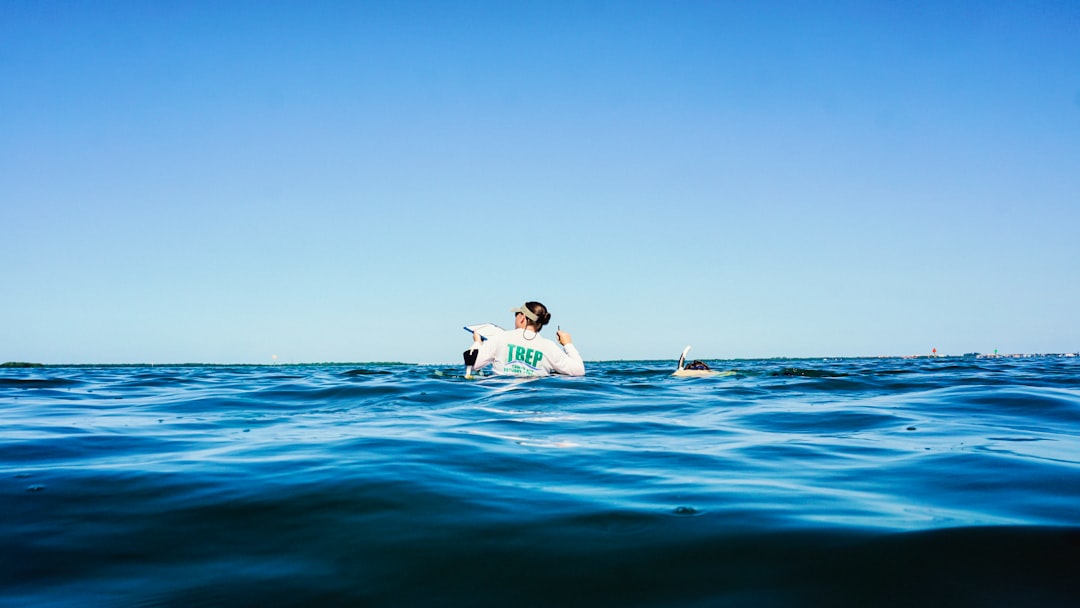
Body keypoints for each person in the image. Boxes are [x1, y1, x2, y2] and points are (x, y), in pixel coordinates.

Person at [464, 301, 585, 377]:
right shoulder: (548, 346)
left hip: (501, 401)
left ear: (522, 318)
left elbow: (472, 364)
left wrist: (477, 343)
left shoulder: (499, 337)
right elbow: (579, 371)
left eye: (516, 314)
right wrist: (568, 344)